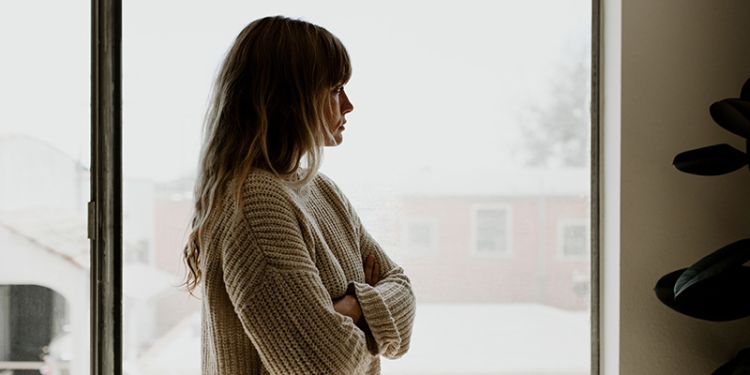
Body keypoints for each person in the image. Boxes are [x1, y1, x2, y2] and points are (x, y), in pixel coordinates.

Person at [182, 15, 416, 375]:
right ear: (290, 98)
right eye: (336, 89)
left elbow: (403, 291)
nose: (349, 105)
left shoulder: (324, 191)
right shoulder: (257, 203)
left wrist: (353, 307)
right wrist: (373, 309)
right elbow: (327, 365)